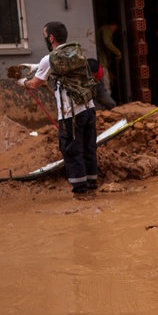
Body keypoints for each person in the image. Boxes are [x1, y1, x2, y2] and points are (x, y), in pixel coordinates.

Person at [17, 21, 99, 200]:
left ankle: (81, 194)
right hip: (89, 108)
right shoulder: (76, 52)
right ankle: (93, 186)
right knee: (89, 148)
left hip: (70, 115)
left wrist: (23, 83)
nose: (45, 38)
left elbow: (36, 83)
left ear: (51, 37)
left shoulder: (50, 59)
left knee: (71, 150)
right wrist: (37, 67)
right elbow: (60, 68)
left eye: (45, 35)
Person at [96, 22, 122, 100]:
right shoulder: (106, 29)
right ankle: (109, 105)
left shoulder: (101, 30)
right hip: (101, 63)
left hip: (102, 62)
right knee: (106, 86)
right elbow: (107, 42)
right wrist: (118, 52)